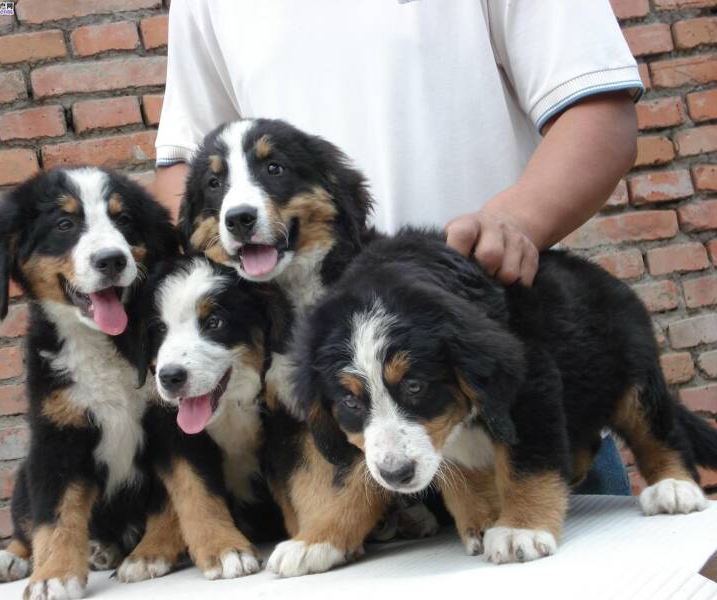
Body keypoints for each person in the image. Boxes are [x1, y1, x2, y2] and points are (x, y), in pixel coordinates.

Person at [153, 0, 641, 494]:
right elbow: (186, 173)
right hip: (342, 444)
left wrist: (513, 221)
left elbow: (598, 109)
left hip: (508, 416)